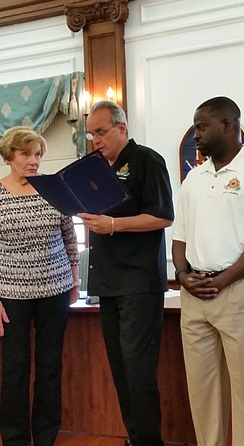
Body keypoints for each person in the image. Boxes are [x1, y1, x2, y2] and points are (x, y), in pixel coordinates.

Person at [171, 96, 244, 446]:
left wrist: (220, 281)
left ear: (228, 124)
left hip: (242, 291)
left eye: (202, 126)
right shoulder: (194, 178)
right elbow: (180, 237)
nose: (196, 135)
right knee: (203, 393)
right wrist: (181, 275)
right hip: (195, 295)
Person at [78, 100, 173, 446]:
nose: (96, 140)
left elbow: (163, 216)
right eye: (91, 135)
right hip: (106, 281)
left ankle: (149, 441)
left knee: (137, 370)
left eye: (101, 132)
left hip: (138, 281)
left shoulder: (147, 159)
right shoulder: (96, 168)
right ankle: (134, 437)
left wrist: (115, 224)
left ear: (122, 127)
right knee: (119, 369)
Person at [0, 126, 80, 446]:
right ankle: (15, 438)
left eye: (37, 154)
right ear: (9, 156)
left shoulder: (54, 188)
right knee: (15, 368)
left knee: (50, 366)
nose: (33, 160)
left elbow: (70, 238)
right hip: (10, 296)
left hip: (55, 290)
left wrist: (74, 281)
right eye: (26, 154)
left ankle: (46, 436)